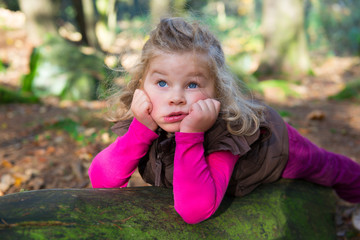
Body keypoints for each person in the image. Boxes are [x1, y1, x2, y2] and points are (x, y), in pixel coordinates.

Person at [88, 17, 360, 224]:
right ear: (140, 84)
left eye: (192, 85)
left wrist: (191, 134)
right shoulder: (147, 121)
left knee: (330, 168)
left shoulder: (225, 131)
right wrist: (140, 130)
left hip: (277, 147)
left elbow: (195, 210)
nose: (176, 97)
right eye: (161, 82)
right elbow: (102, 180)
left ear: (217, 91)